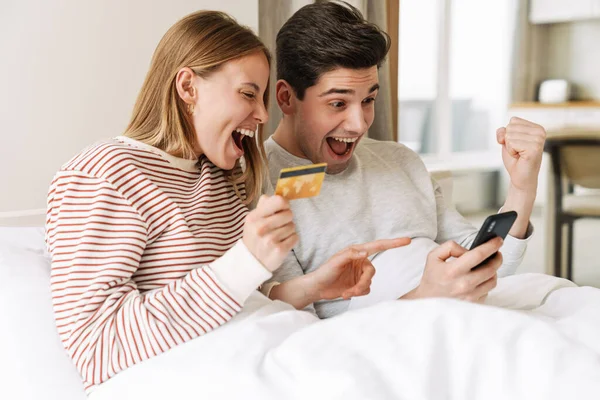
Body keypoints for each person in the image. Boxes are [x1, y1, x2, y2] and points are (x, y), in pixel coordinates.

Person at [45, 10, 408, 394]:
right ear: (188, 87)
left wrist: (314, 287)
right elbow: (98, 347)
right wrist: (245, 261)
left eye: (263, 97)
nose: (264, 114)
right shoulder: (106, 174)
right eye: (249, 94)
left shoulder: (219, 176)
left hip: (281, 348)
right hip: (211, 372)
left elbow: (241, 301)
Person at [262, 1, 544, 319]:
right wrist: (423, 299)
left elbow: (484, 266)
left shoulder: (400, 160)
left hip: (470, 319)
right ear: (286, 97)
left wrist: (522, 188)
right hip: (395, 345)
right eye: (338, 103)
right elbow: (294, 327)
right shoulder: (261, 187)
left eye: (368, 99)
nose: (359, 124)